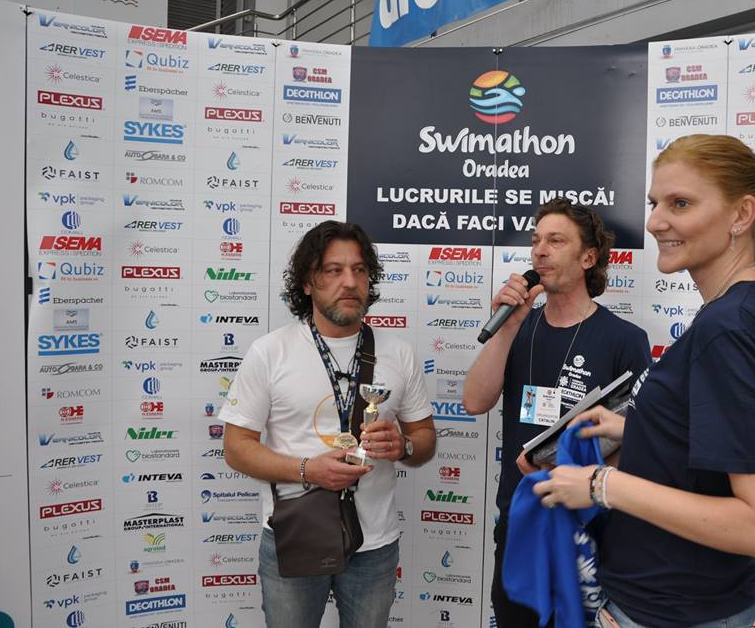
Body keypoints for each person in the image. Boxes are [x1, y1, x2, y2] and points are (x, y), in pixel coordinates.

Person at [533, 135, 755, 628]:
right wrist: (639, 430)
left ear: (741, 214)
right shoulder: (751, 308)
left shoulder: (731, 326)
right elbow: (727, 450)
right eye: (654, 203)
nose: (655, 221)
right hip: (687, 599)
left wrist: (599, 484)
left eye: (680, 203)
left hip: (670, 609)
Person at [220, 221, 436, 628]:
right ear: (307, 283)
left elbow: (424, 439)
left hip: (374, 545)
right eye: (333, 270)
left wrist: (403, 446)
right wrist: (307, 470)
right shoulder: (270, 352)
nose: (349, 282)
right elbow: (236, 448)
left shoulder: (399, 353)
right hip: (295, 535)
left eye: (359, 270)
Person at [463, 197, 651, 628]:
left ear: (588, 257)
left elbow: (641, 439)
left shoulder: (625, 339)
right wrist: (507, 327)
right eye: (535, 241)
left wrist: (582, 475)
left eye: (556, 241)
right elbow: (474, 401)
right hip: (522, 521)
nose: (540, 251)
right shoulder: (517, 327)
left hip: (592, 528)